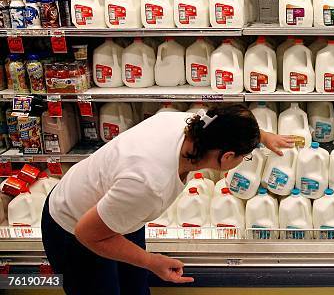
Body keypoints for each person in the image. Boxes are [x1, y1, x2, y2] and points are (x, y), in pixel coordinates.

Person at [41, 103, 293, 294]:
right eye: (244, 156)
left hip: (113, 211)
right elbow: (88, 234)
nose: (243, 161)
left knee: (135, 289)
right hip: (74, 229)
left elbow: (223, 123)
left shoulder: (192, 125)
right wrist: (153, 262)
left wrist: (263, 136)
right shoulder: (150, 184)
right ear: (227, 157)